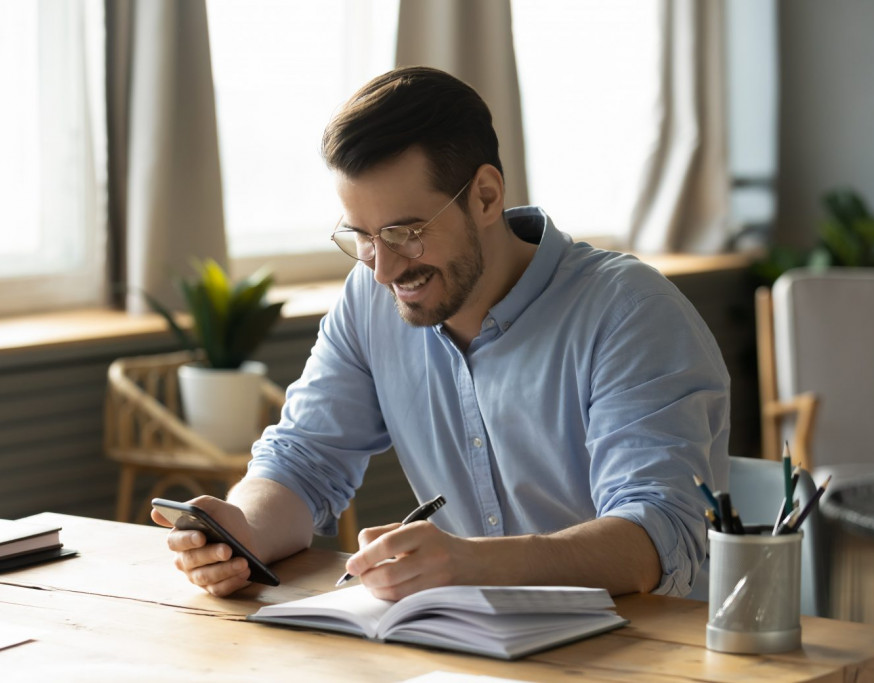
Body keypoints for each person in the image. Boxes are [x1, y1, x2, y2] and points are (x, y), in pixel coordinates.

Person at [152, 66, 730, 601]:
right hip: (471, 650)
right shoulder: (371, 299)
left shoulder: (630, 312)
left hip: (641, 655)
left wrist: (472, 563)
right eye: (362, 237)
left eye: (404, 231)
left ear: (485, 195)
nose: (382, 268)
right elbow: (304, 460)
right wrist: (242, 528)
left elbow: (655, 537)